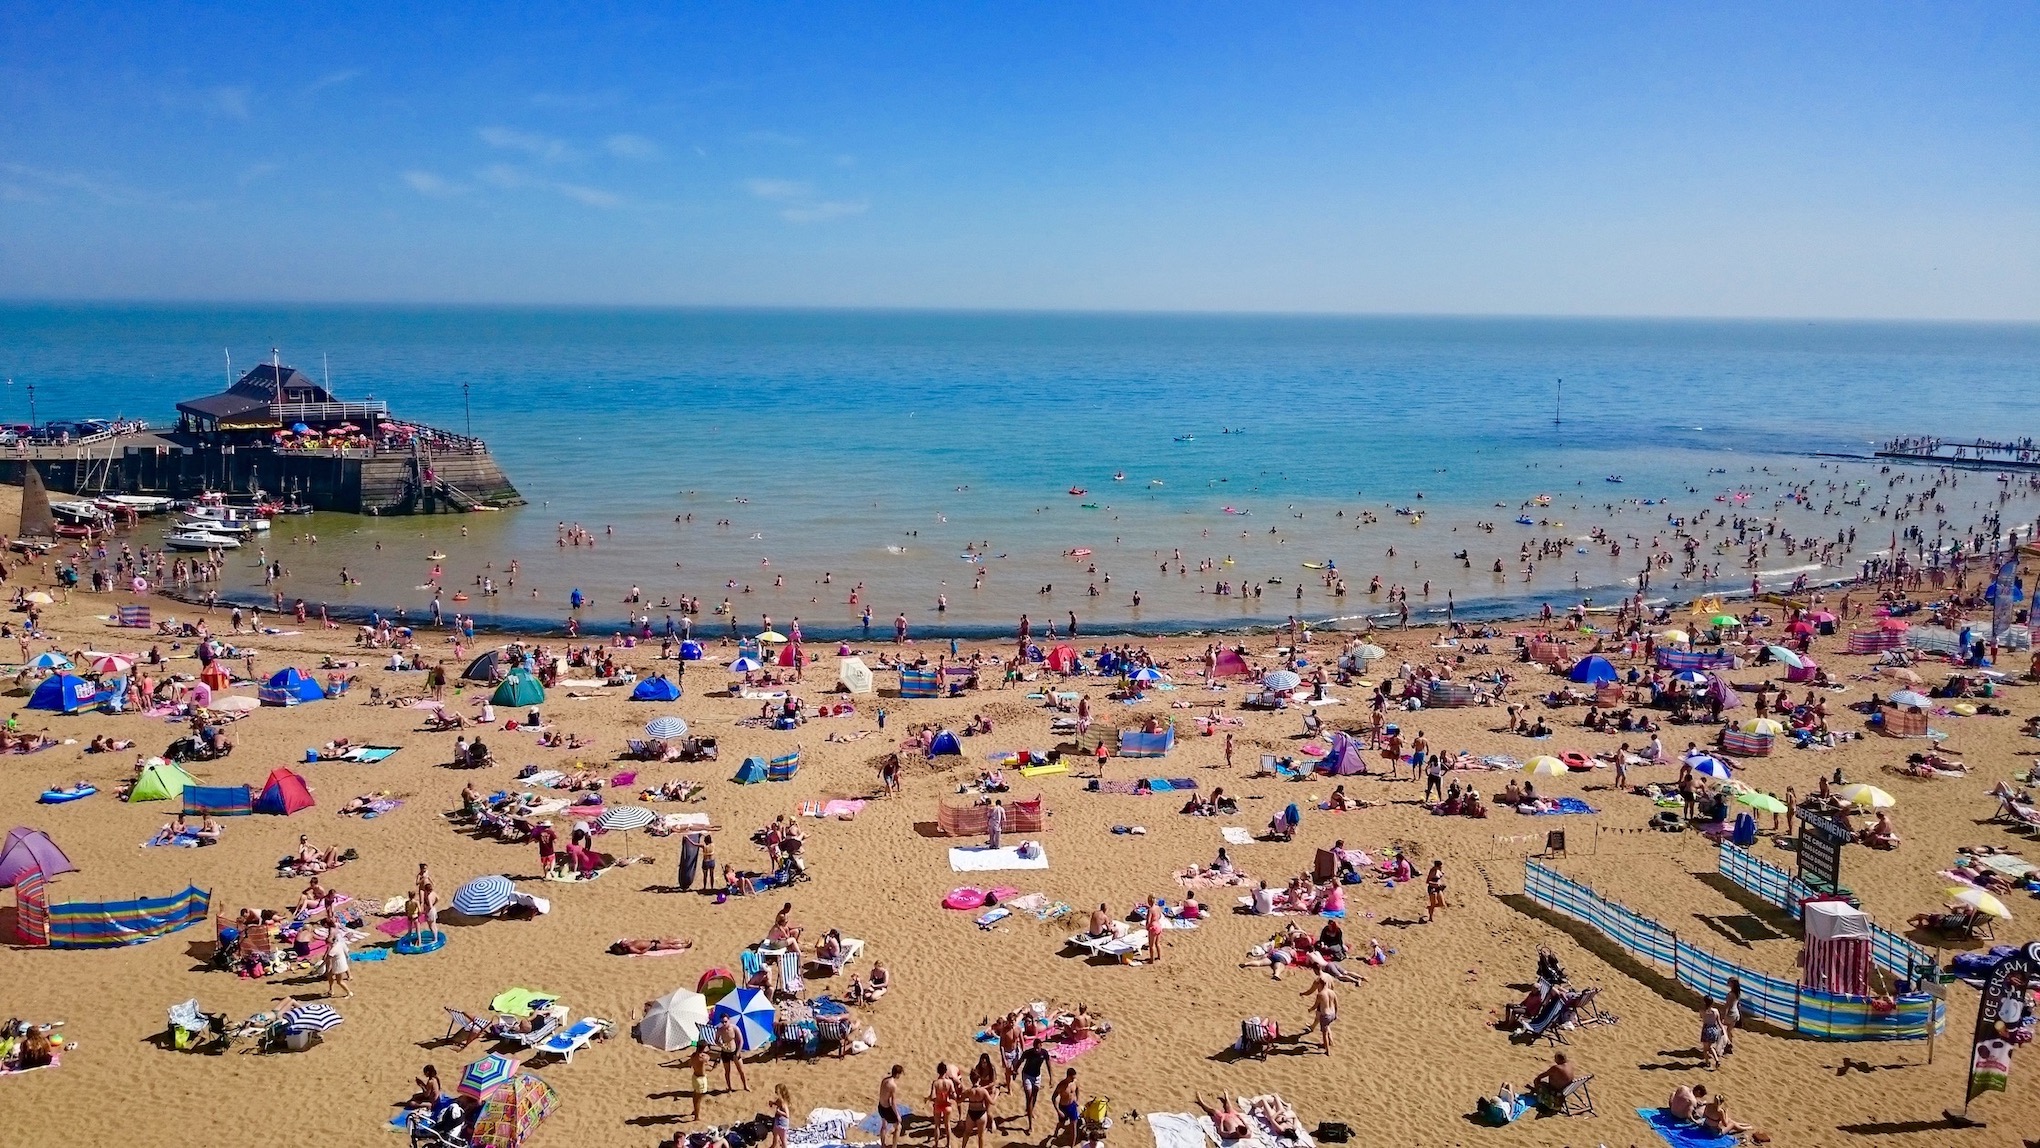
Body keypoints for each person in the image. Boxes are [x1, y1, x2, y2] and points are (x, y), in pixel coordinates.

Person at [1016, 1039, 1050, 1134]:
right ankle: (1030, 1125)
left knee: (1034, 1096)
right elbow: (1020, 1061)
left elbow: (1048, 1064)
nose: (1036, 1048)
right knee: (1029, 1097)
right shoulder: (1028, 1053)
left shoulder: (1044, 1053)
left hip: (1037, 1076)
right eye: (1034, 1046)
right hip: (1027, 1075)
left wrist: (1051, 1077)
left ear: (1041, 1045)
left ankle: (1030, 1109)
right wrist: (1015, 1070)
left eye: (1037, 1047)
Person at [712, 1012, 749, 1092]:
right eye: (722, 1022)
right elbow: (716, 1040)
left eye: (725, 1021)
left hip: (734, 1051)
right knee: (727, 1071)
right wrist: (720, 1044)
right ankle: (729, 1087)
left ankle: (745, 1086)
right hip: (725, 1051)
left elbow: (741, 1041)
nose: (724, 1023)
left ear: (729, 1020)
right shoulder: (720, 1030)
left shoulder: (734, 1028)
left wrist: (738, 1052)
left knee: (741, 1071)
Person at [1303, 971, 1337, 1054]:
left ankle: (1327, 1051)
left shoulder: (1320, 994)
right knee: (1327, 1026)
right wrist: (1336, 1013)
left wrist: (1310, 1009)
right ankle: (1331, 1041)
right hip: (1332, 1013)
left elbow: (1315, 1005)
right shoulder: (1332, 992)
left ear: (1320, 984)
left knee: (1324, 1034)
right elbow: (1336, 1004)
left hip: (1325, 1015)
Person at [929, 1062, 958, 1148]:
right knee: (947, 1125)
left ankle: (936, 1145)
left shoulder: (935, 1083)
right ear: (945, 1071)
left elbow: (932, 1096)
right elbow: (954, 1094)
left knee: (937, 1126)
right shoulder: (949, 1082)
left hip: (938, 1105)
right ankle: (948, 1144)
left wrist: (935, 1099)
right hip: (947, 1105)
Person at [1050, 1067, 1081, 1148]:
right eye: (1072, 1078)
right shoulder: (1061, 1085)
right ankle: (1056, 1132)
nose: (1073, 1079)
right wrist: (1058, 1111)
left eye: (1074, 1077)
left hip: (1072, 1106)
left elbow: (1077, 1089)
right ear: (1068, 1076)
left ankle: (1072, 1146)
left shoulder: (1074, 1082)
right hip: (1063, 1107)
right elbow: (1053, 1097)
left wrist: (1077, 1099)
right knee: (1061, 1123)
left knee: (1073, 1127)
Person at [322, 920, 353, 999]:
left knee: (339, 981)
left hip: (339, 966)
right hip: (341, 963)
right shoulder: (338, 945)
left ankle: (349, 993)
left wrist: (327, 970)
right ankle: (331, 990)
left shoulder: (333, 950)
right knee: (330, 978)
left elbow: (328, 961)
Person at [877, 1064, 906, 1148]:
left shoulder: (884, 1080)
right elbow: (893, 1102)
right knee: (898, 1127)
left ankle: (883, 1145)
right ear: (897, 1074)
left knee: (884, 1125)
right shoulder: (893, 1085)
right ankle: (894, 1146)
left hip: (880, 1106)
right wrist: (897, 1115)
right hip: (886, 1109)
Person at [1699, 1005, 1726, 1070]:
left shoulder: (1702, 1011)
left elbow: (1701, 1017)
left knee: (1705, 1049)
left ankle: (1707, 1062)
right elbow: (1719, 1022)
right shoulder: (1716, 1011)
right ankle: (1717, 1060)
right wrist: (1722, 1030)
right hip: (1714, 1030)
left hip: (1706, 1029)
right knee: (1710, 1047)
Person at [688, 1041, 710, 1119]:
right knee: (698, 1098)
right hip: (701, 1079)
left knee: (695, 1095)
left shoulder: (693, 1055)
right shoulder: (703, 1058)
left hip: (695, 1076)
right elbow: (708, 1058)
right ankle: (696, 1117)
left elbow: (690, 1064)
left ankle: (695, 1111)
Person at [770, 1084, 793, 1148]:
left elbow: (787, 1115)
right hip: (778, 1123)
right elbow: (777, 1103)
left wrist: (779, 1112)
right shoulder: (780, 1100)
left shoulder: (783, 1102)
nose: (775, 1092)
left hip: (782, 1124)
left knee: (783, 1141)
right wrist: (772, 1103)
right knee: (776, 1139)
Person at [1145, 894, 1164, 963]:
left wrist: (1147, 927)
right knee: (1157, 943)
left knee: (1151, 945)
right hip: (1158, 925)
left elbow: (1148, 920)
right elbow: (1159, 916)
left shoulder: (1150, 910)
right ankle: (1159, 956)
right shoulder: (1158, 907)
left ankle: (1151, 960)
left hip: (1153, 927)